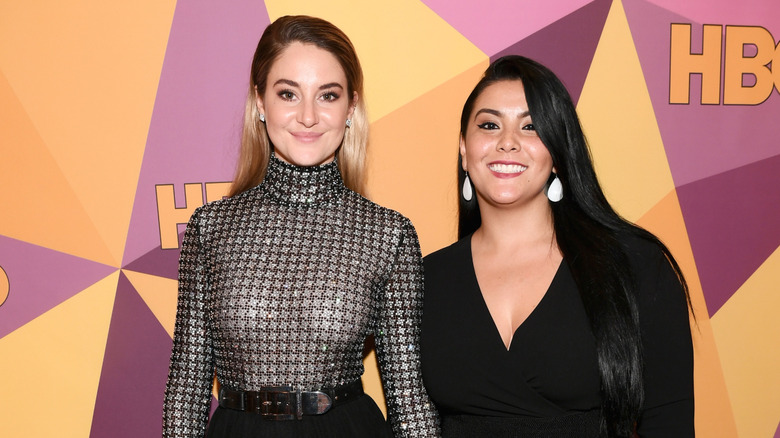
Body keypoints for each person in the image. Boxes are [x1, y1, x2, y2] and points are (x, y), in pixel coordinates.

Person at [163, 15, 439, 438]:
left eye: (327, 95)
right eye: (288, 94)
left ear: (351, 107)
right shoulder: (211, 229)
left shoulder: (388, 235)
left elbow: (409, 398)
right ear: (260, 102)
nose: (308, 116)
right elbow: (186, 388)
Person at [420, 55, 694, 438]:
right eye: (489, 125)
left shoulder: (635, 266)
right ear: (464, 149)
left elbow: (669, 423)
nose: (507, 142)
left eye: (530, 126)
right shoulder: (424, 279)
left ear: (558, 155)